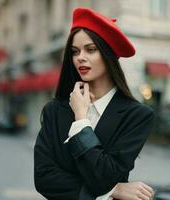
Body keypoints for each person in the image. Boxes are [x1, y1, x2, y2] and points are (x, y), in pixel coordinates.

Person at [34, 7, 155, 200]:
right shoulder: (55, 111)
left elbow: (105, 176)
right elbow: (43, 178)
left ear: (108, 54)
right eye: (75, 51)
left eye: (90, 50)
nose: (80, 57)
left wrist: (81, 120)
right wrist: (113, 191)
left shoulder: (137, 116)